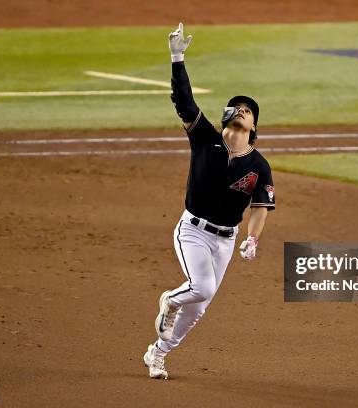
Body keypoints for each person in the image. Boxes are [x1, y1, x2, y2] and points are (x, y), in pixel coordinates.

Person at [143, 23, 276, 380]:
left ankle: (158, 353)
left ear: (254, 125)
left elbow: (261, 206)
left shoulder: (258, 166)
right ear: (225, 117)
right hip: (193, 230)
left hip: (226, 240)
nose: (241, 110)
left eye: (247, 110)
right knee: (200, 288)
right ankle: (170, 299)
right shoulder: (205, 138)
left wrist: (253, 238)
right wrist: (177, 58)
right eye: (236, 107)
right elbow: (183, 101)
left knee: (199, 308)